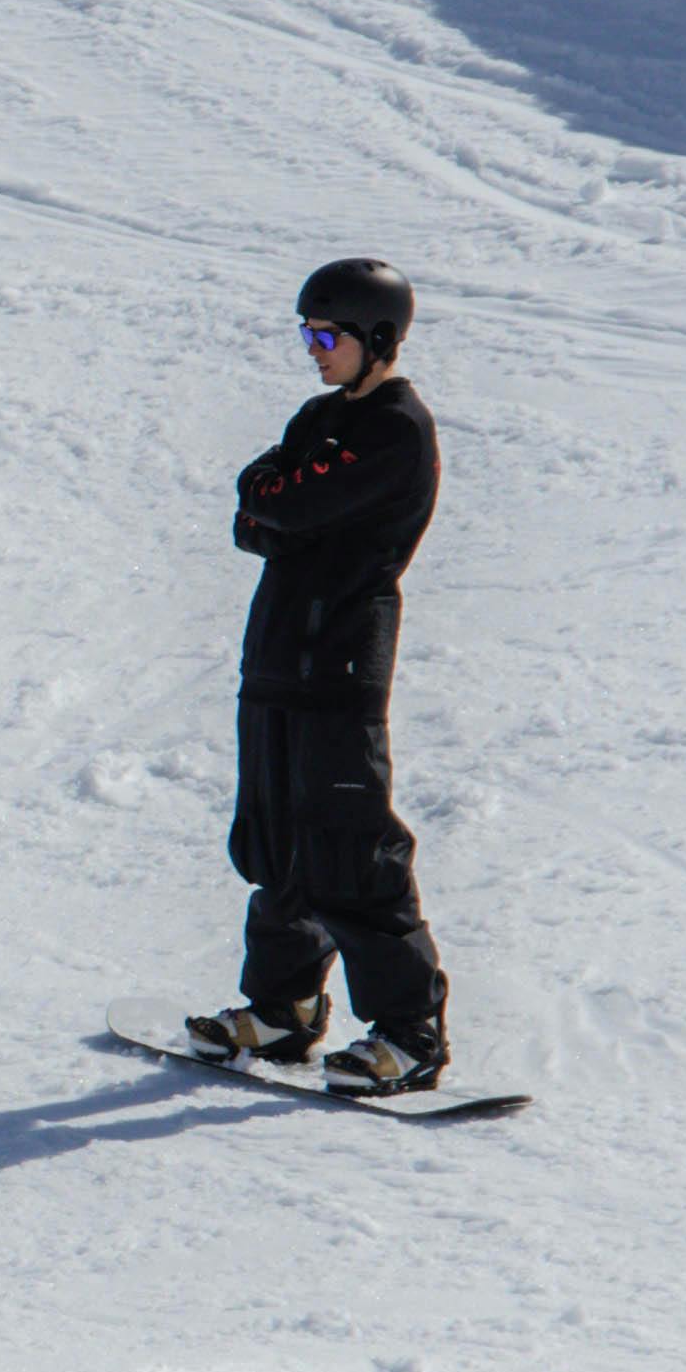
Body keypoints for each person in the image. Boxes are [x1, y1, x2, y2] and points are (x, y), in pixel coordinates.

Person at [188, 258, 452, 1088]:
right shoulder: (318, 418)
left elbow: (284, 505)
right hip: (275, 655)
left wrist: (282, 505)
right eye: (307, 334)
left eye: (327, 335)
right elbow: (255, 517)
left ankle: (410, 1036)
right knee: (276, 841)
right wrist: (279, 506)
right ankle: (282, 1012)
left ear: (378, 338)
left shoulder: (396, 429)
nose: (313, 349)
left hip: (340, 658)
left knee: (350, 848)